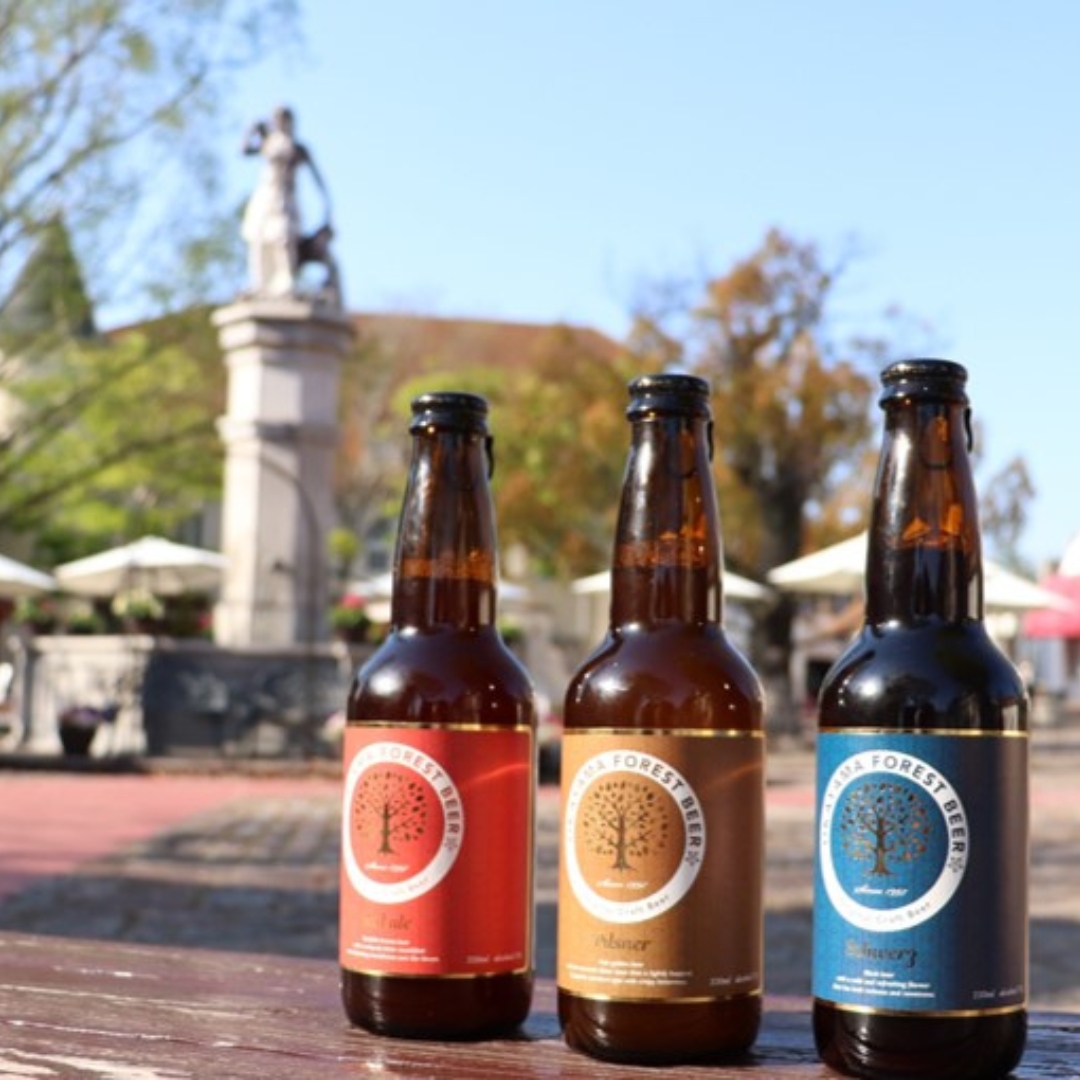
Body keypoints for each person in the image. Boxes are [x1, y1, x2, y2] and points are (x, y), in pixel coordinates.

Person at [241, 106, 332, 298]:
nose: (281, 123)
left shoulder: (298, 148)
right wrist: (251, 130)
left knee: (283, 237)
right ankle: (260, 283)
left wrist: (327, 209)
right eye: (277, 119)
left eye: (284, 119)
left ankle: (286, 282)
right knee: (259, 238)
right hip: (266, 195)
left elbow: (318, 179)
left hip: (286, 197)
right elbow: (245, 150)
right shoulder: (268, 143)